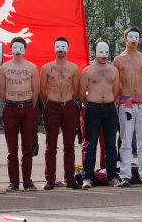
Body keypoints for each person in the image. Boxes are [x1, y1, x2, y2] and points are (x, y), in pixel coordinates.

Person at [113, 27, 142, 186]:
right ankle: (125, 175)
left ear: (139, 39)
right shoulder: (118, 59)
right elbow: (117, 83)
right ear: (125, 38)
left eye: (136, 37)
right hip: (126, 103)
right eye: (130, 36)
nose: (133, 39)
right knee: (125, 141)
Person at [79, 38, 121, 189]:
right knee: (90, 145)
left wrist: (109, 101)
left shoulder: (113, 70)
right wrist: (90, 103)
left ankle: (112, 176)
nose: (104, 55)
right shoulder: (88, 71)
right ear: (94, 52)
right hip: (93, 108)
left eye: (106, 52)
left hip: (109, 108)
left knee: (110, 145)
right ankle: (88, 177)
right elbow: (81, 92)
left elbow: (116, 90)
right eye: (101, 52)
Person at [39, 37, 81, 190]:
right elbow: (42, 90)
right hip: (52, 106)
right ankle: (50, 179)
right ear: (54, 48)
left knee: (69, 145)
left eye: (63, 46)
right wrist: (49, 104)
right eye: (58, 46)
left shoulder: (74, 68)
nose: (60, 49)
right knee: (51, 145)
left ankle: (69, 178)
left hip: (68, 106)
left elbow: (75, 90)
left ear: (68, 48)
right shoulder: (46, 68)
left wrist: (68, 101)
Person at [0, 37, 39, 192]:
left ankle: (27, 181)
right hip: (10, 108)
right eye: (15, 47)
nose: (18, 51)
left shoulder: (32, 67)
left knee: (27, 147)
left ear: (25, 49)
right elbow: (2, 91)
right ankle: (14, 182)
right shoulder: (4, 68)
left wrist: (29, 106)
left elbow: (36, 91)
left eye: (21, 47)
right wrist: (9, 104)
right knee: (12, 149)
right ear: (10, 49)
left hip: (28, 107)